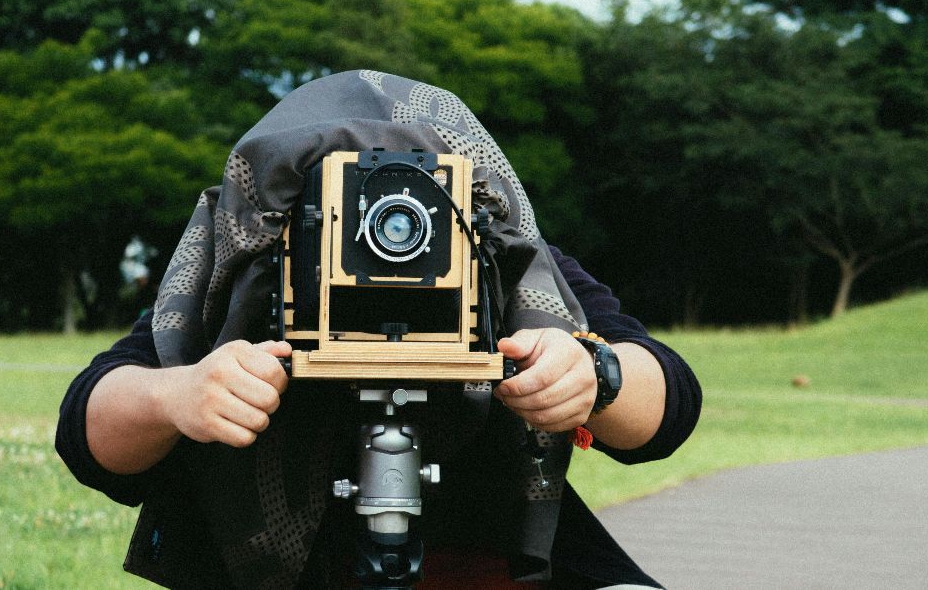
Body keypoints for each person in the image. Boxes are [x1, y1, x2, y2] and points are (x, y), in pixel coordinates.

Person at [56, 71, 700, 588]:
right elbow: (88, 432)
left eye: (420, 202)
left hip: (479, 544)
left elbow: (667, 404)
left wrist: (595, 375)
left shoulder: (499, 257)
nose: (390, 231)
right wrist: (176, 396)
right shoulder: (245, 266)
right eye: (342, 208)